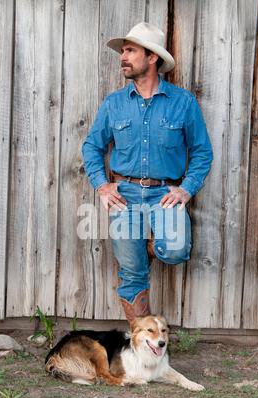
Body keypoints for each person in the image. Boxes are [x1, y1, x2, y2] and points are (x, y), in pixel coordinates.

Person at [82, 22, 213, 324]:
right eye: (123, 51)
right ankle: (143, 349)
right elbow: (91, 147)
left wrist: (186, 189)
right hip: (124, 196)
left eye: (130, 51)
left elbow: (203, 152)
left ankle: (140, 246)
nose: (123, 57)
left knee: (176, 250)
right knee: (131, 273)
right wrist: (103, 186)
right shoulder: (114, 104)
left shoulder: (183, 103)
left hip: (165, 194)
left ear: (152, 57)